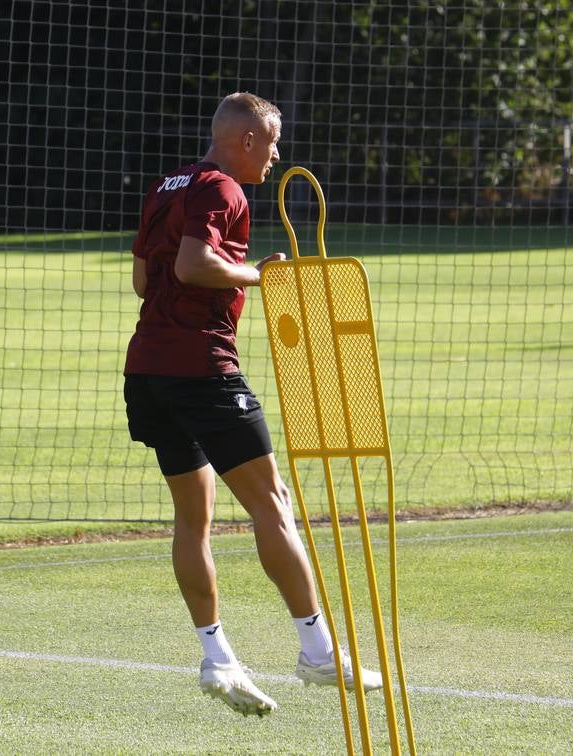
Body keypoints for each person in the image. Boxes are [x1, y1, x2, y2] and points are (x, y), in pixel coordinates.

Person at [123, 92, 382, 717]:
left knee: (195, 519)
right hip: (202, 370)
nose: (275, 155)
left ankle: (218, 660)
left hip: (147, 369)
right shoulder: (225, 190)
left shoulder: (166, 185)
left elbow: (143, 279)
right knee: (273, 503)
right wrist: (262, 276)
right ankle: (318, 652)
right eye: (271, 142)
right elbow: (194, 264)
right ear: (245, 140)